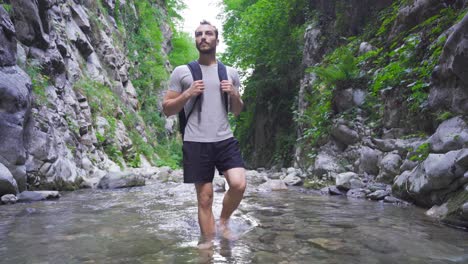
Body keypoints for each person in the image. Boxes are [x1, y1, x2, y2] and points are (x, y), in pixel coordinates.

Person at [162, 20, 246, 248]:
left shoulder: (230, 72)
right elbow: (167, 108)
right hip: (196, 141)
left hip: (225, 139)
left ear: (217, 40)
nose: (204, 37)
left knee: (238, 184)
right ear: (196, 40)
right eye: (199, 34)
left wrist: (235, 94)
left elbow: (238, 111)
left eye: (209, 34)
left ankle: (223, 222)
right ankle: (207, 246)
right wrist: (188, 93)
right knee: (205, 197)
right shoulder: (182, 72)